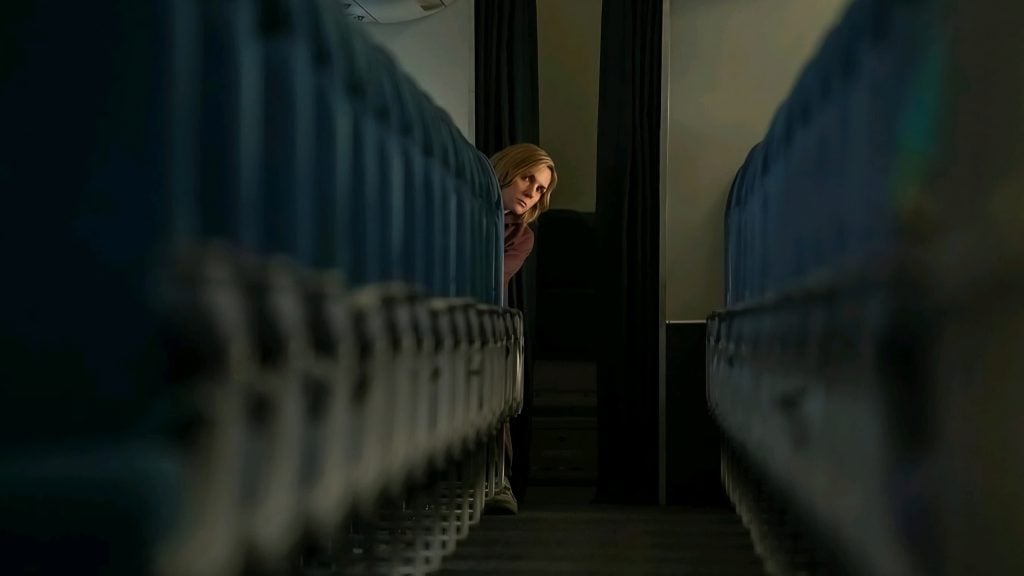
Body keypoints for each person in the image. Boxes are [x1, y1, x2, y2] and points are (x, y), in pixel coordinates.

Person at [485, 143, 557, 515]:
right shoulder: (455, 205)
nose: (532, 192)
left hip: (480, 323)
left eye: (541, 188)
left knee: (495, 367)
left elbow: (488, 280)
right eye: (528, 177)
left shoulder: (521, 236)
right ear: (505, 171)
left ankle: (498, 480)